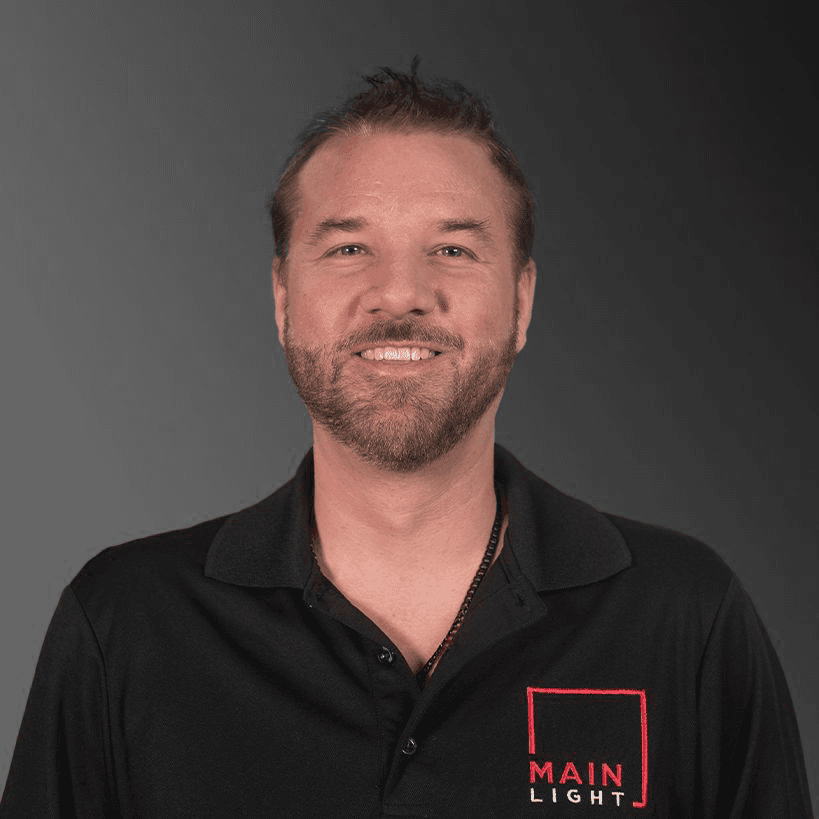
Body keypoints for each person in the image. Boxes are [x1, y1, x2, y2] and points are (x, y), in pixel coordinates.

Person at [1, 60, 812, 818]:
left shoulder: (681, 616)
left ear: (522, 302)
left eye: (452, 249)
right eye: (349, 248)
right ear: (282, 298)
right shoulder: (125, 623)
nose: (399, 293)